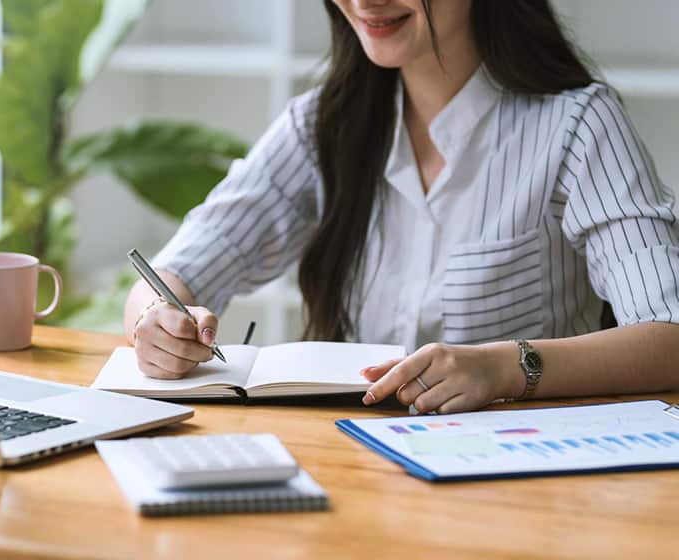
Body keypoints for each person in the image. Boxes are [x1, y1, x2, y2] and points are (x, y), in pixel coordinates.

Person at [123, 0, 679, 414]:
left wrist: (502, 367)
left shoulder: (576, 126)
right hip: (358, 476)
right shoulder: (323, 126)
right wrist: (156, 323)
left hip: (523, 489)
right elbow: (177, 270)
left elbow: (669, 337)